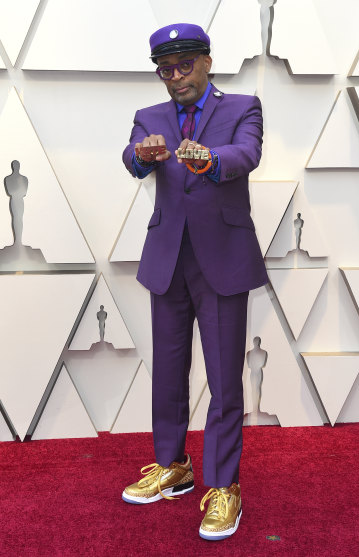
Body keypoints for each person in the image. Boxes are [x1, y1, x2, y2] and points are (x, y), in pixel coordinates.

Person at [121, 23, 268, 541]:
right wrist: (143, 154)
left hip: (223, 258)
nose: (176, 76)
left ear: (207, 61)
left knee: (225, 379)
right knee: (168, 369)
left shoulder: (242, 106)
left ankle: (224, 486)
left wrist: (210, 161)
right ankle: (173, 465)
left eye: (185, 65)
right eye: (166, 69)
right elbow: (132, 157)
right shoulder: (151, 117)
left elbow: (246, 153)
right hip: (168, 259)